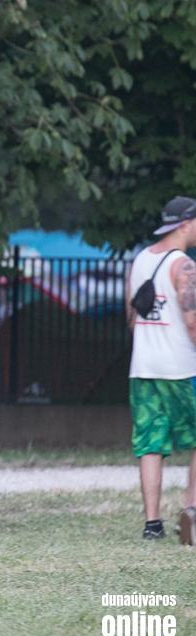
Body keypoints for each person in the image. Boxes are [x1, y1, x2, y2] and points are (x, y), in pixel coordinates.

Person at [125, 195, 196, 543]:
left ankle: (152, 524)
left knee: (150, 444)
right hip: (182, 368)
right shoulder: (184, 266)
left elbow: (131, 316)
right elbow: (193, 322)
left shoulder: (140, 259)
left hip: (143, 368)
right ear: (185, 224)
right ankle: (191, 514)